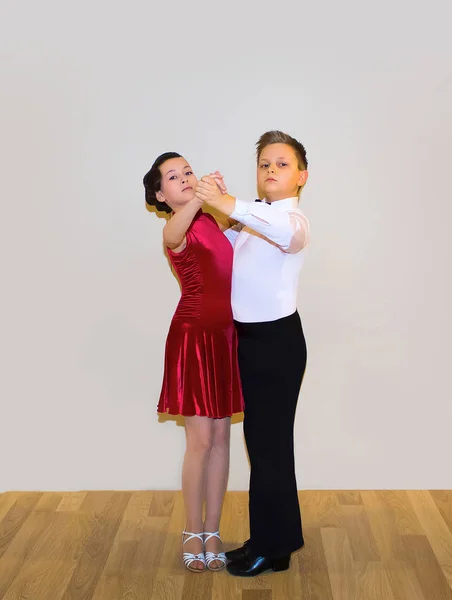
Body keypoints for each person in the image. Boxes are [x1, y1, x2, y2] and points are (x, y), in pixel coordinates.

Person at [195, 130, 310, 577]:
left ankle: (273, 546)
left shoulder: (293, 222)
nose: (271, 170)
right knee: (262, 447)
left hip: (276, 345)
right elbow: (229, 260)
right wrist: (223, 210)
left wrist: (229, 205)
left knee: (269, 448)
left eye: (281, 164)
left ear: (302, 175)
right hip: (249, 341)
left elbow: (284, 233)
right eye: (264, 163)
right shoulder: (254, 218)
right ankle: (271, 543)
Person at [143, 152, 244, 573]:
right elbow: (174, 234)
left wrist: (221, 198)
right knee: (200, 442)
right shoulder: (175, 226)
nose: (184, 178)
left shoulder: (208, 220)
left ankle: (213, 529)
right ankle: (190, 529)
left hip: (227, 337)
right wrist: (204, 198)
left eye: (187, 171)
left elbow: (241, 229)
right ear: (160, 194)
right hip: (195, 338)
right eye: (173, 176)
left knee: (222, 439)